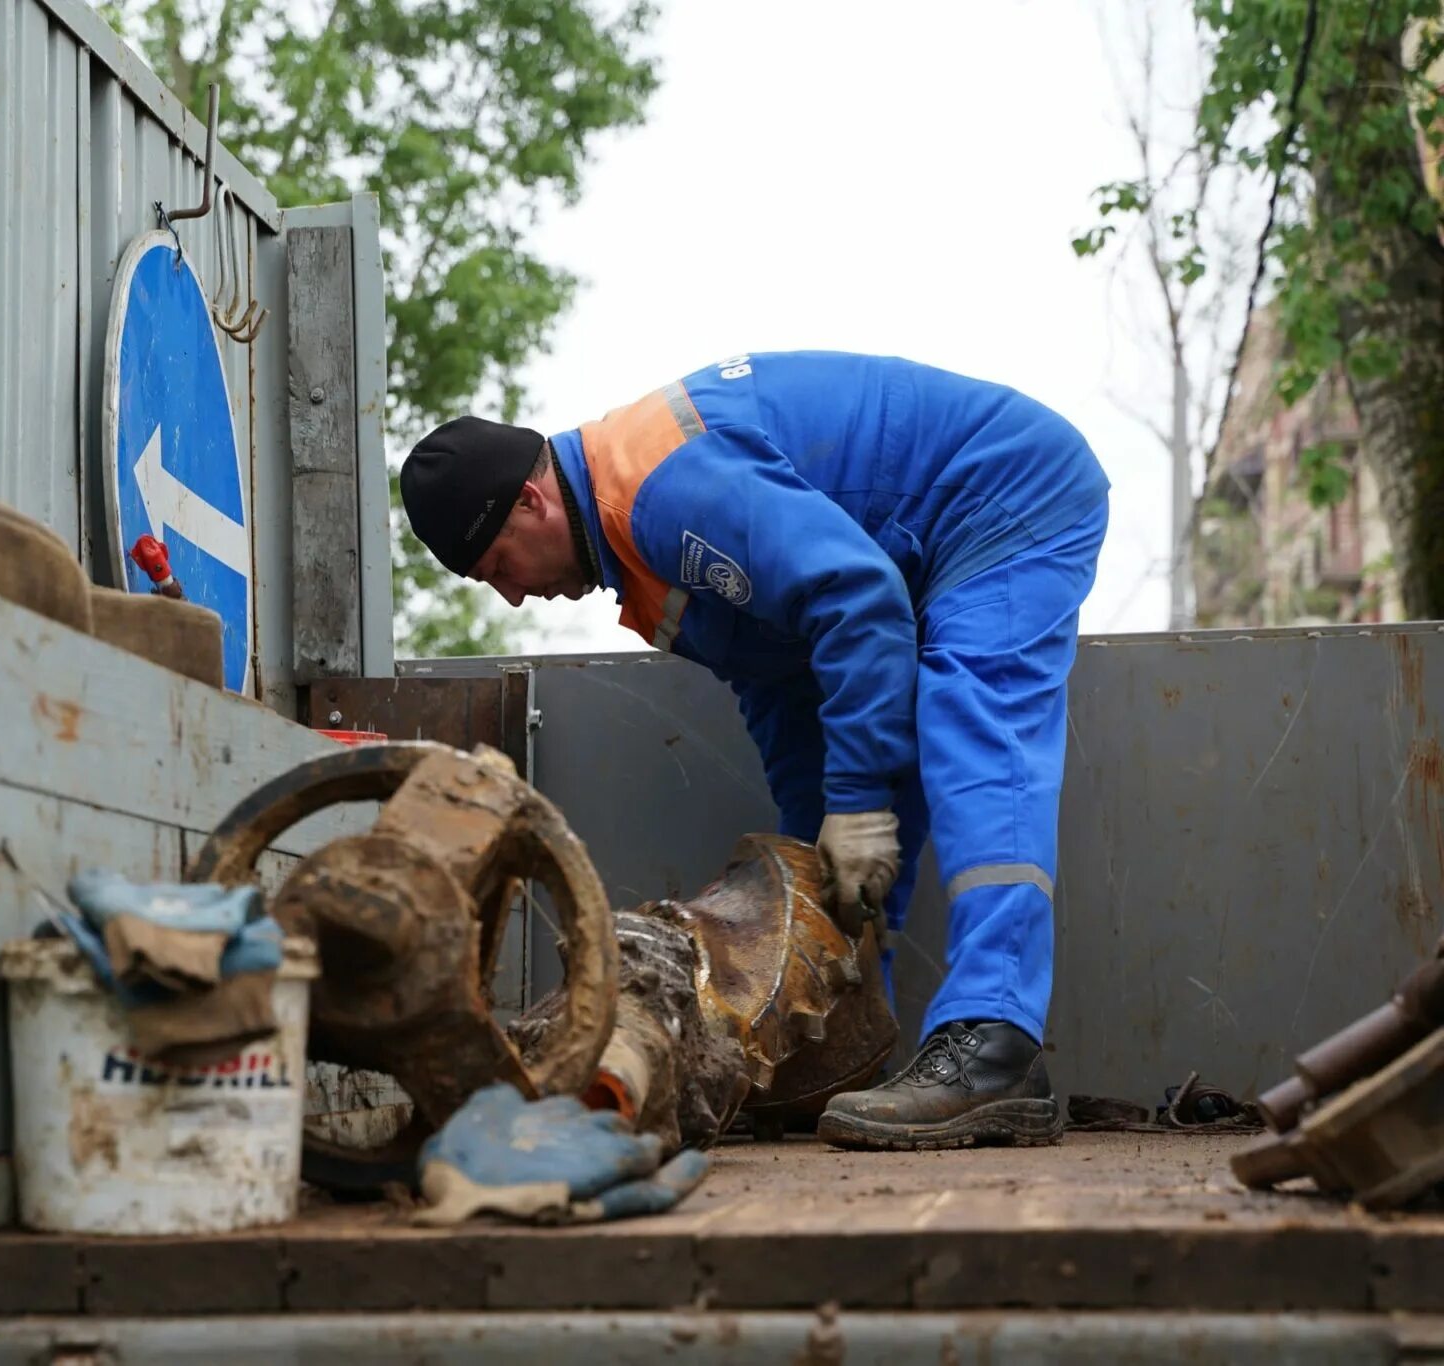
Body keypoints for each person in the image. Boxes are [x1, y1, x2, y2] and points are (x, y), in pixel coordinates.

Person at [398, 350, 1110, 1151]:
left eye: (499, 566)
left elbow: (860, 600)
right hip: (908, 549)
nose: (513, 594)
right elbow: (785, 693)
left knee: (973, 721)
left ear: (531, 502)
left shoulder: (659, 486)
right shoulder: (633, 554)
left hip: (1000, 495)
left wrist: (859, 804)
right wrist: (821, 848)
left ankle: (996, 1041)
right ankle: (846, 1055)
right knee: (828, 833)